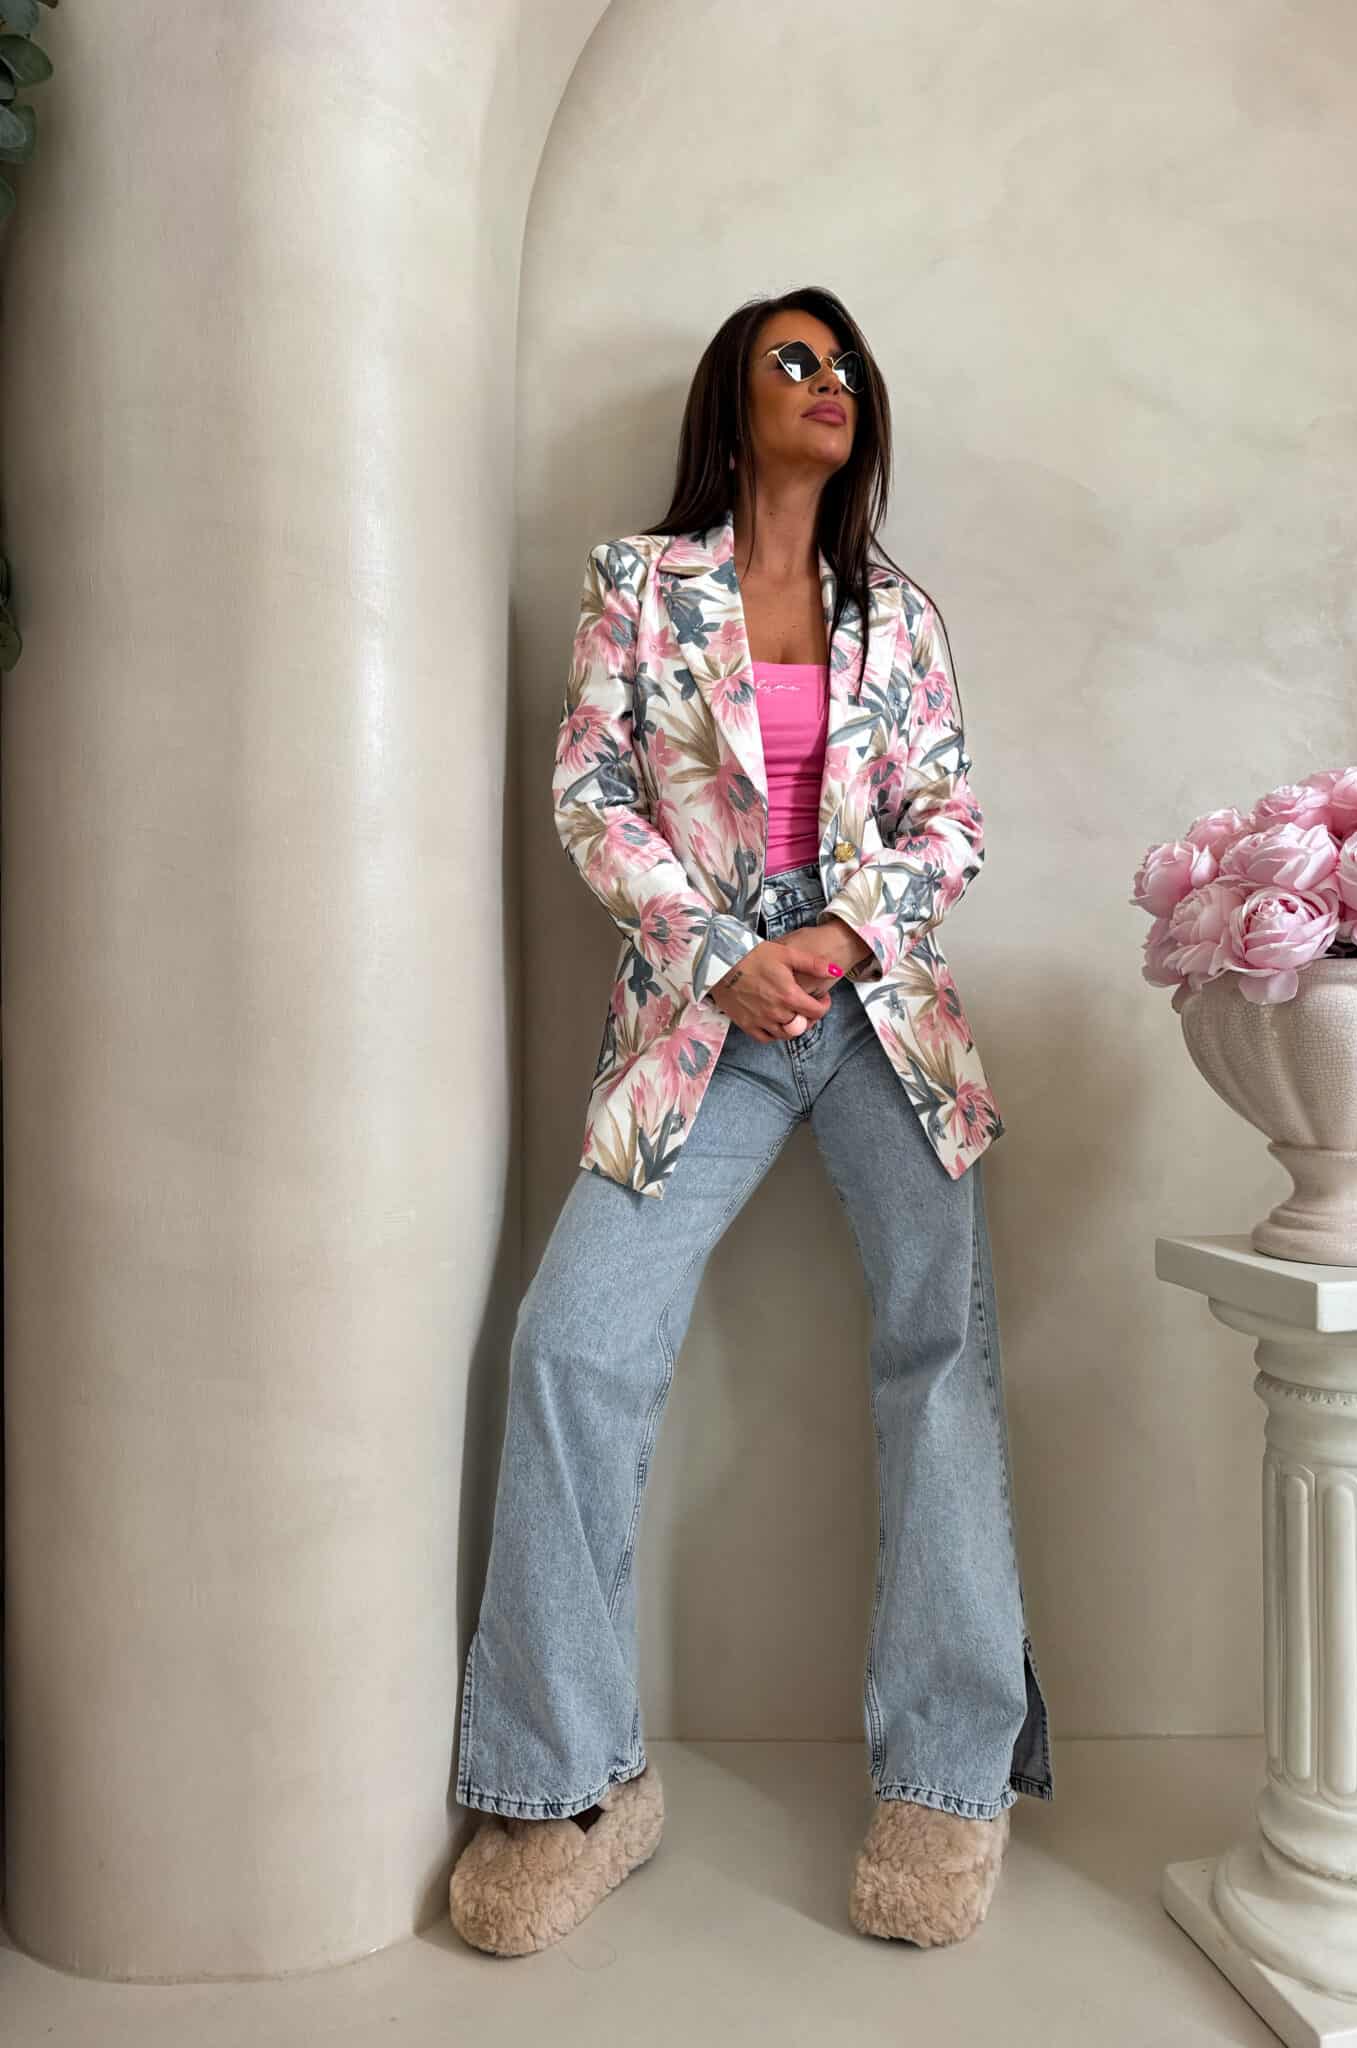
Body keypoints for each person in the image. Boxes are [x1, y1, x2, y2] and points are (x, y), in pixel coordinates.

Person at [448, 288, 1052, 1960]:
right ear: (733, 397)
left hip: (880, 1011)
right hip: (699, 1013)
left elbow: (950, 818)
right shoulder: (641, 587)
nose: (830, 380)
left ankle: (948, 1773)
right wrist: (722, 954)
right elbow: (593, 798)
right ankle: (574, 1782)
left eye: (845, 362)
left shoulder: (899, 615)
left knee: (940, 1353)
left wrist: (840, 938)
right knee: (573, 1344)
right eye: (796, 359)